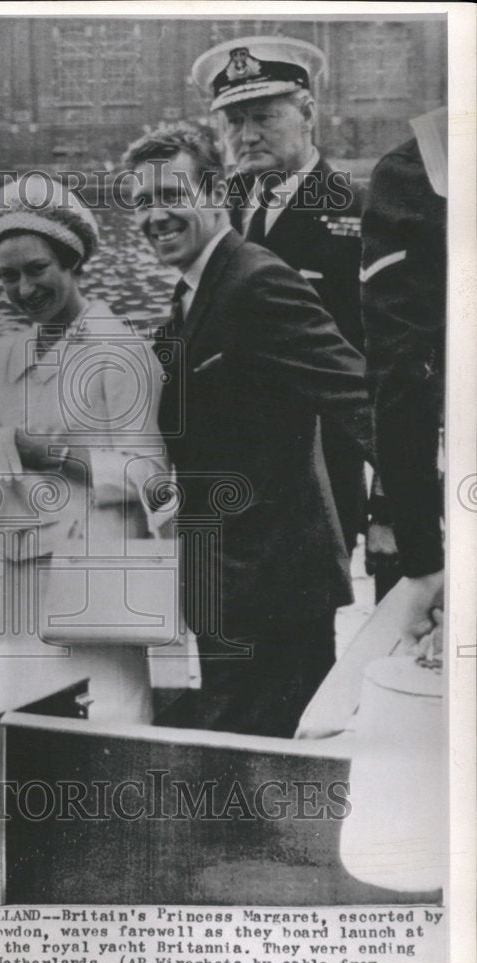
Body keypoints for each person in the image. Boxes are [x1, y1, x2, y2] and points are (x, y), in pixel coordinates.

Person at [123, 123, 375, 738]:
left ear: (213, 192)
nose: (155, 215)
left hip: (277, 586)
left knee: (271, 773)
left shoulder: (256, 280)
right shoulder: (193, 294)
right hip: (226, 581)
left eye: (170, 194)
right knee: (244, 764)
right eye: (141, 202)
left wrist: (421, 512)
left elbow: (359, 395)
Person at [0, 175, 168, 723]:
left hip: (103, 580)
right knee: (25, 734)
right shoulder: (7, 355)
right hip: (25, 573)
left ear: (71, 263)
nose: (23, 289)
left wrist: (46, 454)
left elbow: (151, 476)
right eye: (9, 277)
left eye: (37, 270)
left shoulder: (122, 351)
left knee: (103, 735)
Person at [192, 36, 399, 594]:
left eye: (263, 116)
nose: (247, 135)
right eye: (233, 121)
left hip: (320, 473)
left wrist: (390, 502)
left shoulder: (361, 216)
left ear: (307, 113)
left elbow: (395, 366)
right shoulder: (217, 211)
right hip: (230, 469)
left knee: (306, 639)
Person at [361, 107, 447, 651]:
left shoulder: (420, 167)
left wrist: (424, 564)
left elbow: (400, 370)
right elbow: (402, 373)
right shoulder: (423, 166)